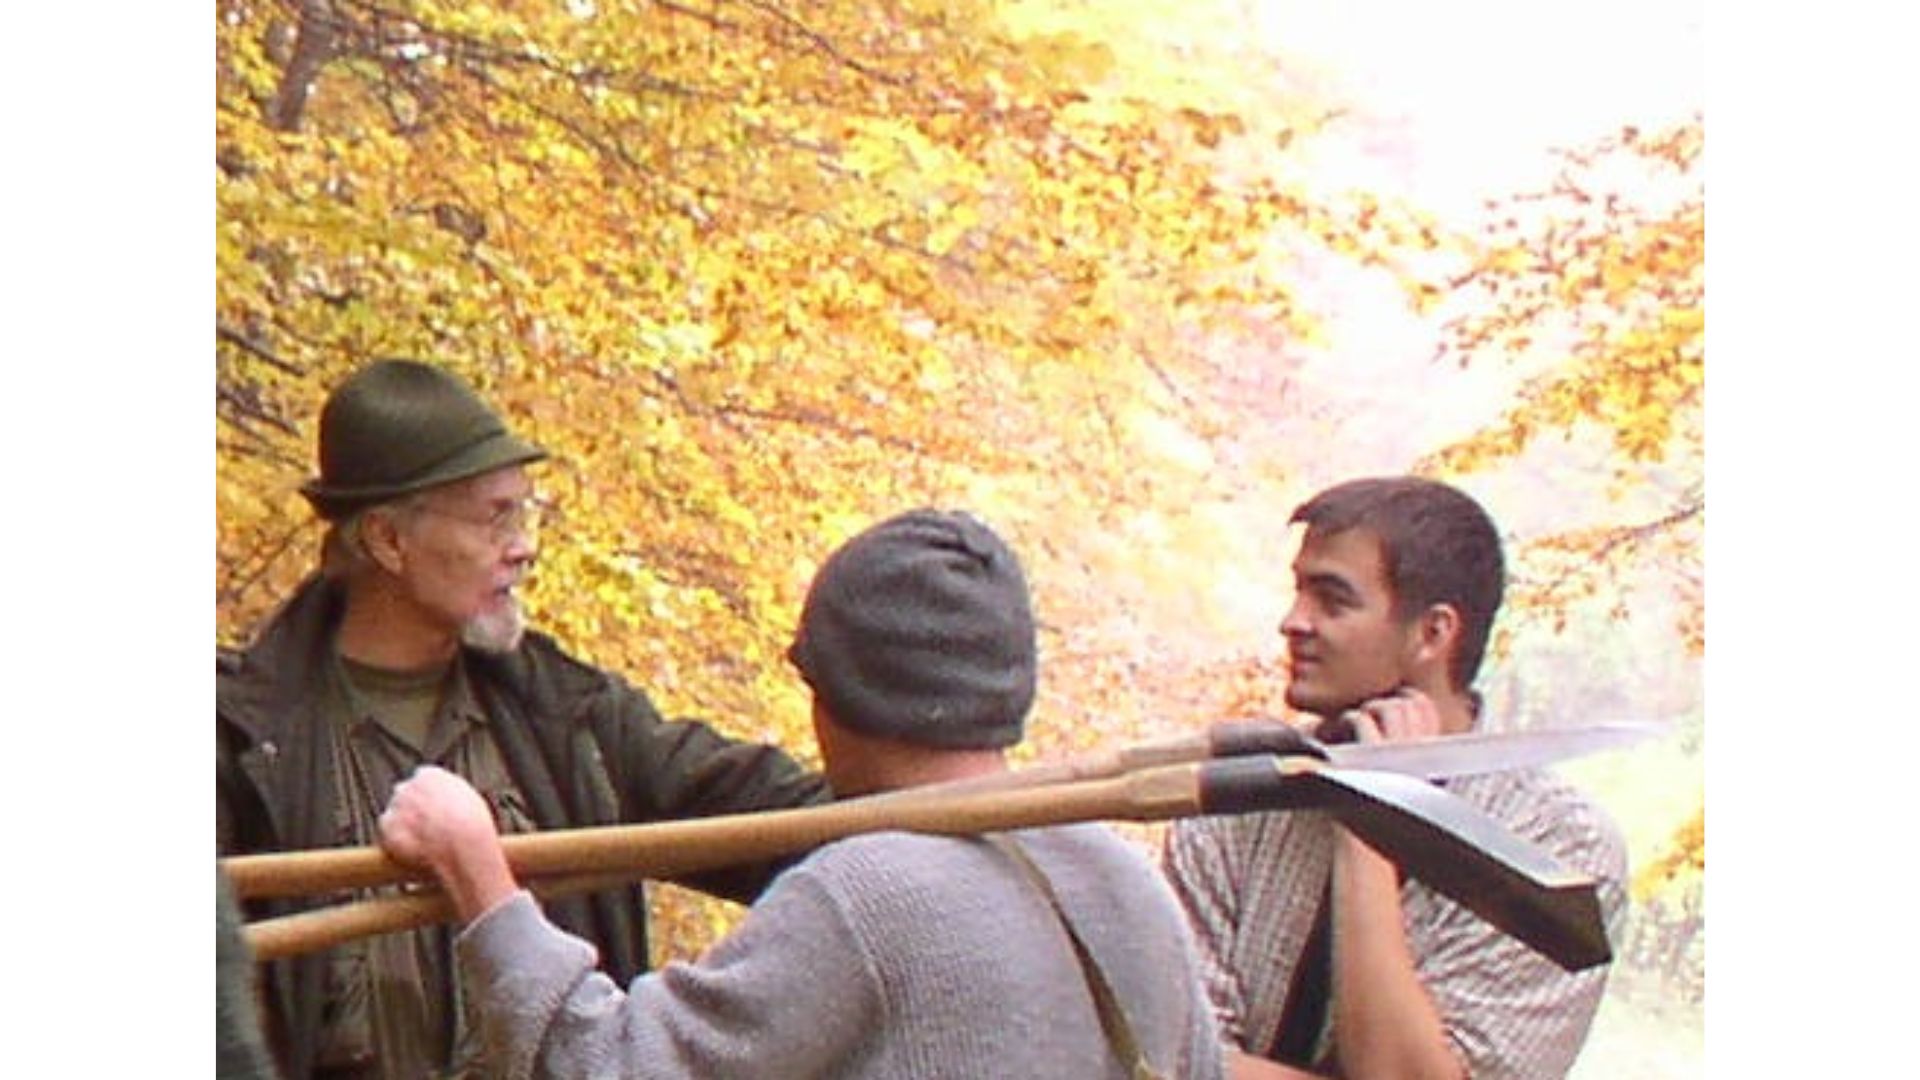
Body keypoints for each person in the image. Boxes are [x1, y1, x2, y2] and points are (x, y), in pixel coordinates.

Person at [379, 508, 1226, 1078]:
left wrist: (480, 880)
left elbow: (607, 1065)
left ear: (836, 694)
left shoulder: (865, 896)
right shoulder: (1126, 879)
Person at [216, 359, 830, 1079]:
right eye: (496, 516)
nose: (524, 546)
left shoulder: (566, 716)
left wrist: (927, 797)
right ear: (387, 540)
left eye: (525, 513)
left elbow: (773, 817)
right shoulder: (238, 742)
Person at [1161, 476, 1628, 1080]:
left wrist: (1374, 824)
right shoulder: (1235, 801)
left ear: (1433, 633)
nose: (1292, 622)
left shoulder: (1559, 846)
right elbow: (1172, 1058)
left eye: (1332, 600)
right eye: (1298, 592)